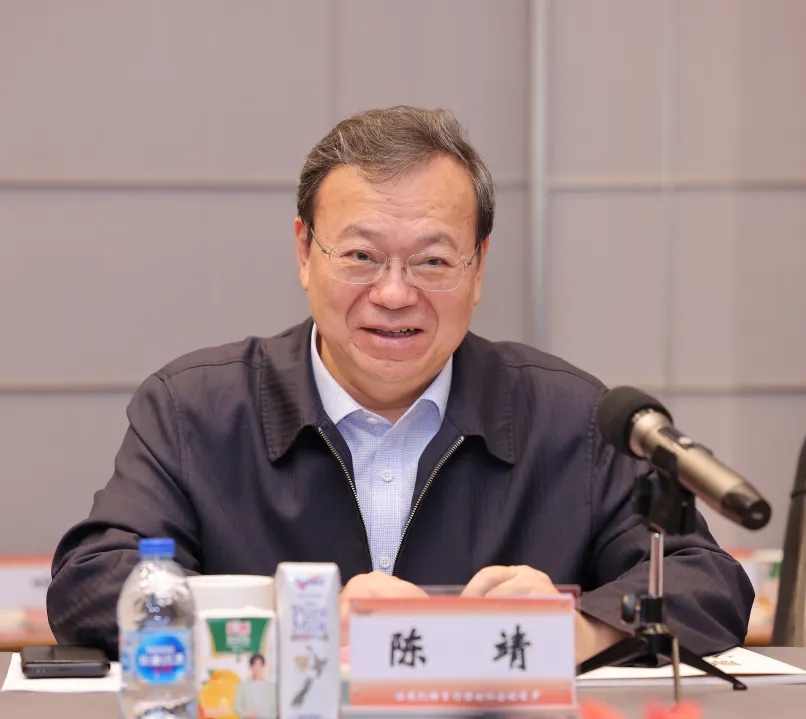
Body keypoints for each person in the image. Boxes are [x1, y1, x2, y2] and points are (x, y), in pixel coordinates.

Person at [47, 106, 753, 663]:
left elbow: (707, 582)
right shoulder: (196, 409)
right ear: (305, 251)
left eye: (432, 261)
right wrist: (298, 621)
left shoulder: (570, 416)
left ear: (478, 268)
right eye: (360, 255)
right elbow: (91, 584)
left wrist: (575, 629)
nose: (393, 294)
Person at [233, 653, 276, 719]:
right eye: (255, 665)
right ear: (251, 667)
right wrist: (246, 714)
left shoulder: (271, 687)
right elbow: (237, 707)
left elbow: (273, 710)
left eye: (260, 665)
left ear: (263, 666)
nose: (258, 668)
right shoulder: (243, 686)